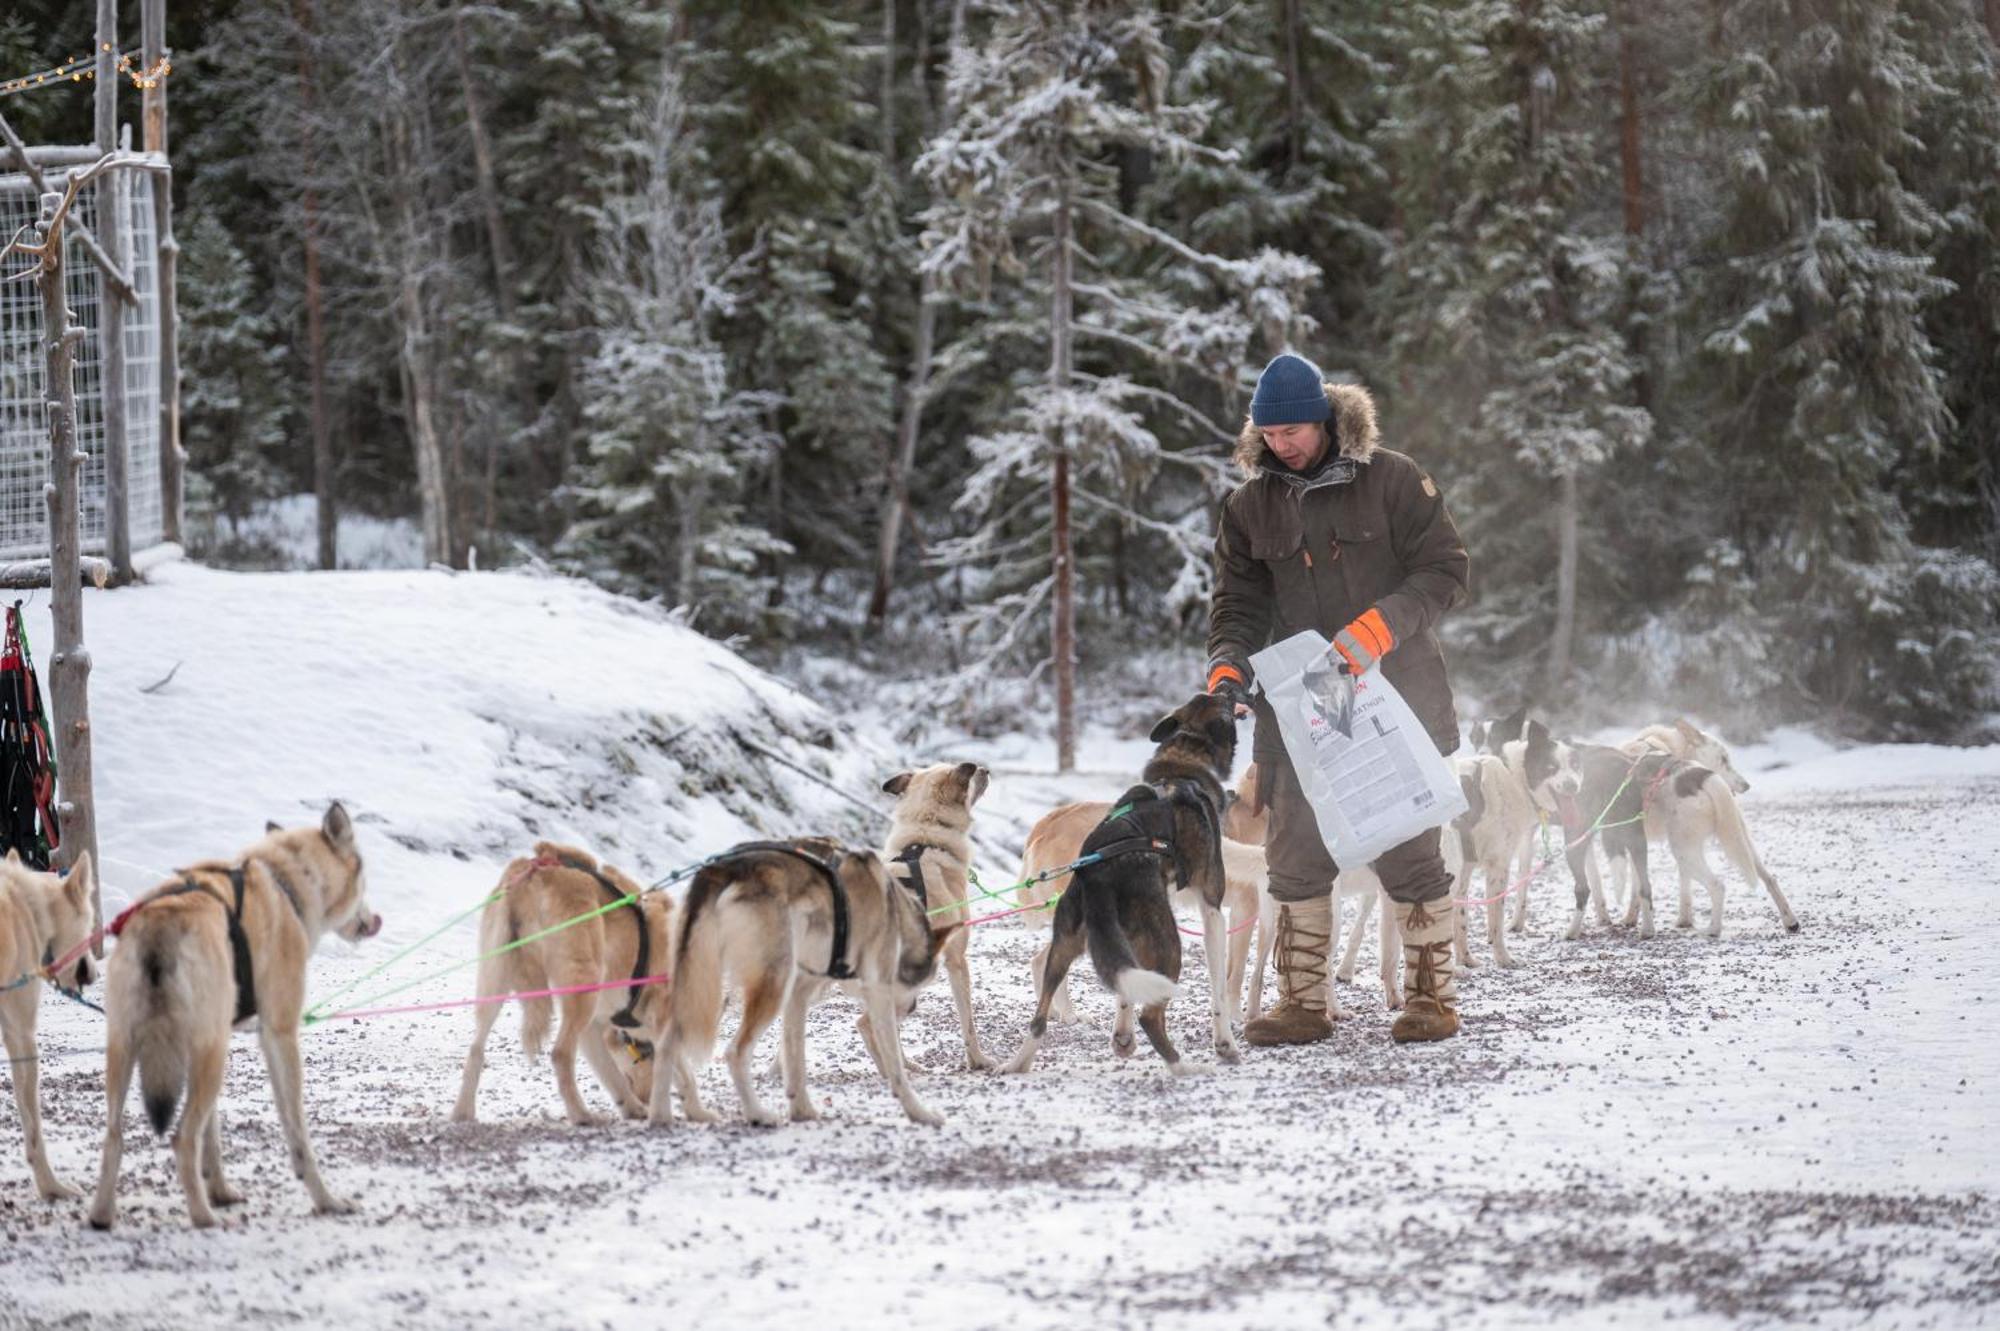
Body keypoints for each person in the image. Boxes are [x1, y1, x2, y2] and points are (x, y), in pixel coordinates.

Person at [1206, 352, 1471, 1044]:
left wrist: (1383, 624)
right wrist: (1227, 667)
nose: (1280, 442)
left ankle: (1430, 998)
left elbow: (1446, 568)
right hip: (1304, 700)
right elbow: (1236, 604)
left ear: (1325, 419)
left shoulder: (1393, 479)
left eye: (1293, 429)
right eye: (1269, 432)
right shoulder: (1248, 506)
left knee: (1409, 847)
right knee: (1293, 848)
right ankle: (1302, 1003)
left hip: (1394, 687)